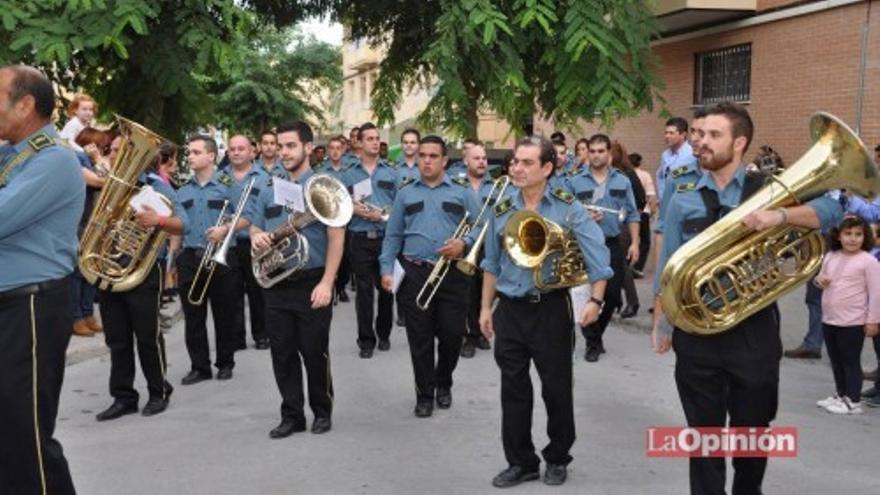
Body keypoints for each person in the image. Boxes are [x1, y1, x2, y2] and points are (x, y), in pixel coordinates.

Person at [652, 102, 842, 495]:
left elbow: (832, 209)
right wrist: (663, 319)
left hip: (753, 333)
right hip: (696, 334)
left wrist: (780, 217)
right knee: (704, 440)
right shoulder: (682, 190)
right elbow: (669, 262)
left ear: (739, 143)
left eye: (713, 135)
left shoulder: (769, 189)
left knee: (751, 436)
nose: (701, 142)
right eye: (699, 135)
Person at [479, 136, 611, 488]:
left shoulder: (567, 208)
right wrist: (484, 308)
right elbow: (491, 261)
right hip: (509, 310)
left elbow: (598, 257)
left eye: (526, 163)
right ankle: (521, 462)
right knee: (513, 390)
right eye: (514, 162)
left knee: (556, 389)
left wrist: (595, 301)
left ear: (548, 168)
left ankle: (557, 457)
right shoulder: (503, 207)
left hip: (550, 310)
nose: (516, 169)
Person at [0, 64, 81, 495]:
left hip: (29, 308)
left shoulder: (53, 160)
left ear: (26, 104)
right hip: (11, 307)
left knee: (25, 434)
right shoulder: (12, 154)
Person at [250, 121, 344, 438]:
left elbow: (336, 237)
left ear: (307, 148)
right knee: (282, 352)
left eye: (290, 146)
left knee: (314, 351)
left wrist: (328, 283)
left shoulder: (323, 186)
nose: (283, 152)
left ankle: (322, 411)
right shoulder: (269, 186)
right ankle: (292, 415)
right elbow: (255, 226)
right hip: (276, 282)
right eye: (280, 146)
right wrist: (258, 236)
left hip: (311, 280)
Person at [380, 135, 480, 417]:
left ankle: (443, 382)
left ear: (445, 161)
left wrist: (465, 243)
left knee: (452, 335)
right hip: (415, 273)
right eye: (422, 155)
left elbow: (481, 225)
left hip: (452, 275)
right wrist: (386, 269)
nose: (426, 160)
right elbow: (393, 235)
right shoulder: (405, 192)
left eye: (433, 156)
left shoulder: (462, 192)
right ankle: (424, 394)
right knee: (420, 339)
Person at [93, 151, 184, 421]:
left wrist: (159, 221)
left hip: (143, 270)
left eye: (125, 150)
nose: (118, 155)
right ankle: (124, 397)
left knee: (147, 335)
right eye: (116, 150)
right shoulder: (112, 184)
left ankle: (159, 391)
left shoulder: (156, 186)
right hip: (109, 267)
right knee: (117, 339)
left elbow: (183, 224)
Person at [175, 135, 253, 384]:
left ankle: (225, 362)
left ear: (211, 156)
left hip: (222, 256)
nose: (190, 156)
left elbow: (246, 216)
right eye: (189, 152)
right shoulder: (183, 188)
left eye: (196, 152)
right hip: (190, 256)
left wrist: (225, 230)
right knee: (193, 315)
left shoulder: (227, 184)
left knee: (225, 314)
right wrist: (172, 259)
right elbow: (178, 225)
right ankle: (199, 367)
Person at [568, 134, 640, 362]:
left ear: (609, 153)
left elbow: (633, 213)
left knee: (612, 295)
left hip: (611, 243)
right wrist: (584, 217)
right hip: (583, 245)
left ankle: (595, 334)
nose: (597, 155)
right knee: (584, 295)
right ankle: (593, 341)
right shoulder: (575, 181)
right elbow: (565, 213)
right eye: (593, 151)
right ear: (587, 153)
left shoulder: (622, 180)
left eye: (601, 151)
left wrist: (636, 243)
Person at [813, 216, 880, 414]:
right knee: (835, 359)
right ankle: (841, 394)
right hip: (830, 318)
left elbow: (876, 293)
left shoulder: (868, 261)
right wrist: (820, 280)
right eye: (848, 234)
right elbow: (819, 278)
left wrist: (873, 320)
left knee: (850, 361)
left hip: (853, 321)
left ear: (865, 237)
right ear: (839, 236)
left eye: (858, 234)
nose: (853, 239)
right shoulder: (831, 256)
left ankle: (853, 400)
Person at [345, 122, 398, 358]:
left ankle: (384, 333)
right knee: (364, 292)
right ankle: (366, 341)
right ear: (359, 142)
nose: (375, 142)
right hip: (359, 238)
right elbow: (339, 205)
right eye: (370, 138)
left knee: (386, 289)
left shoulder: (391, 172)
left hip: (386, 239)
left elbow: (400, 207)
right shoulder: (349, 173)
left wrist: (382, 214)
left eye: (377, 138)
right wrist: (352, 209)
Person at [221, 135, 268, 350]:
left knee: (257, 290)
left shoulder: (263, 177)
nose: (237, 152)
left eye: (241, 148)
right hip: (229, 244)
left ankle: (261, 334)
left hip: (255, 242)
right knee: (232, 292)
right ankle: (236, 337)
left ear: (252, 151)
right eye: (233, 149)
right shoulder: (220, 178)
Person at [458, 141, 501, 358]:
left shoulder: (497, 186)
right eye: (477, 158)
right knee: (467, 293)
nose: (482, 162)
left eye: (484, 158)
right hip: (466, 246)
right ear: (466, 161)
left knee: (488, 292)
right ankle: (470, 336)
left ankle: (481, 329)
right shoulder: (456, 184)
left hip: (490, 246)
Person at [70, 127, 112, 337]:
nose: (104, 149)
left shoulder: (91, 159)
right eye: (102, 144)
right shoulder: (76, 158)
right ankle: (76, 318)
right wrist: (97, 158)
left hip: (91, 221)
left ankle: (87, 314)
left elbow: (109, 178)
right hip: (78, 222)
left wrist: (98, 158)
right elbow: (101, 181)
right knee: (78, 272)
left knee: (90, 271)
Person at [314, 135, 353, 303]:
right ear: (328, 151)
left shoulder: (350, 171)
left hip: (349, 219)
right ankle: (330, 286)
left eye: (339, 148)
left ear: (343, 150)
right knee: (330, 253)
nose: (336, 151)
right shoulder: (321, 171)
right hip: (328, 219)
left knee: (345, 257)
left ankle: (341, 286)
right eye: (332, 148)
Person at [610, 141, 646, 319]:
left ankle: (632, 301)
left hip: (622, 225)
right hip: (610, 224)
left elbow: (640, 199)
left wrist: (631, 222)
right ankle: (614, 299)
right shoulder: (609, 174)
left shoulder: (628, 175)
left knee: (622, 266)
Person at [655, 116, 696, 204]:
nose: (667, 136)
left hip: (685, 203)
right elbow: (661, 177)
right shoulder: (665, 155)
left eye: (671, 133)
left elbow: (696, 182)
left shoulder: (693, 155)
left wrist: (677, 193)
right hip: (666, 203)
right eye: (666, 133)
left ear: (683, 134)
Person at [629, 152, 656, 276]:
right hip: (643, 211)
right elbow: (651, 196)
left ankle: (628, 264)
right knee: (645, 241)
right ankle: (638, 267)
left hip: (629, 212)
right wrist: (653, 211)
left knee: (631, 239)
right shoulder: (645, 175)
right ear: (640, 162)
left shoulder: (626, 175)